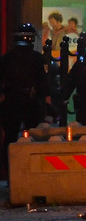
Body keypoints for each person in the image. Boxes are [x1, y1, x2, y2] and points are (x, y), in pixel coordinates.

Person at [1, 24, 52, 160]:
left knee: (10, 136)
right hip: (31, 101)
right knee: (33, 135)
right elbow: (43, 81)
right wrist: (48, 101)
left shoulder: (7, 58)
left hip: (11, 101)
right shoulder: (37, 59)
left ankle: (9, 165)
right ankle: (31, 161)